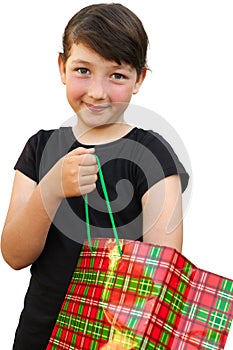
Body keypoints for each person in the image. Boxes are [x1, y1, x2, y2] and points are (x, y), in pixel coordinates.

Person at [1, 3, 189, 349]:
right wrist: (52, 188)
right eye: (83, 70)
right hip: (39, 334)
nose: (98, 91)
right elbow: (14, 255)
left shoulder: (152, 155)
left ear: (139, 79)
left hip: (118, 339)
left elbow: (163, 271)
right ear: (61, 67)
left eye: (116, 75)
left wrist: (124, 339)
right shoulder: (39, 148)